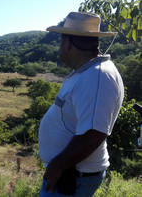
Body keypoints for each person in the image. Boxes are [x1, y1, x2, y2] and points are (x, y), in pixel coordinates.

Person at [38, 12, 124, 196]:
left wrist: (57, 165)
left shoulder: (97, 76)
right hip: (71, 173)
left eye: (61, 42)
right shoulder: (88, 73)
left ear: (68, 44)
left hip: (73, 176)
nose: (59, 47)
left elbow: (94, 133)